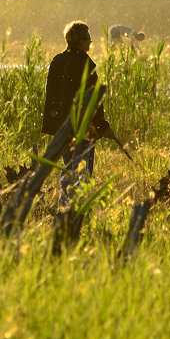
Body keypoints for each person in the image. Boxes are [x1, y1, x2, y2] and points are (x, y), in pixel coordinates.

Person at [41, 21, 116, 204]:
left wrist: (53, 125)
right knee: (82, 169)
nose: (91, 42)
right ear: (80, 41)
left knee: (68, 167)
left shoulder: (57, 61)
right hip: (83, 127)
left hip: (62, 127)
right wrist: (102, 127)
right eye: (88, 39)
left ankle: (64, 205)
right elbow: (94, 101)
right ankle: (75, 207)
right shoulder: (85, 64)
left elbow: (51, 95)